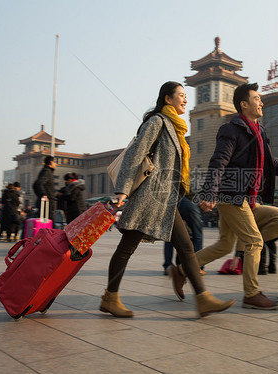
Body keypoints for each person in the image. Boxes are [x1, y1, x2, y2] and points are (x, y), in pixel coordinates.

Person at [103, 81, 235, 318]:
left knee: (185, 247)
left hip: (167, 199)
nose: (185, 99)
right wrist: (122, 190)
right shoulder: (157, 122)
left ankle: (203, 299)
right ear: (167, 99)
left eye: (186, 96)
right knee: (126, 248)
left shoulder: (177, 127)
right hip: (149, 197)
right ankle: (110, 297)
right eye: (181, 96)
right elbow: (135, 154)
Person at [190, 82, 278, 310]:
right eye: (257, 99)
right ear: (244, 104)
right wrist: (210, 191)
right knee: (254, 241)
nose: (261, 102)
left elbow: (271, 163)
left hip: (248, 199)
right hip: (231, 195)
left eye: (261, 99)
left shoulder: (259, 130)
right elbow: (218, 162)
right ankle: (251, 293)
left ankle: (184, 268)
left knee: (232, 241)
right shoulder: (231, 129)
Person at [162, 196, 204, 275]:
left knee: (170, 235)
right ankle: (197, 266)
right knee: (197, 236)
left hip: (173, 202)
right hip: (190, 202)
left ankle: (168, 266)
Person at [33, 155, 57, 223]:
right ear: (51, 162)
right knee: (49, 222)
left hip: (49, 201)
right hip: (47, 202)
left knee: (48, 222)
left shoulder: (47, 171)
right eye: (55, 162)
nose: (56, 164)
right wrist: (43, 194)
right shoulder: (46, 171)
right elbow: (37, 184)